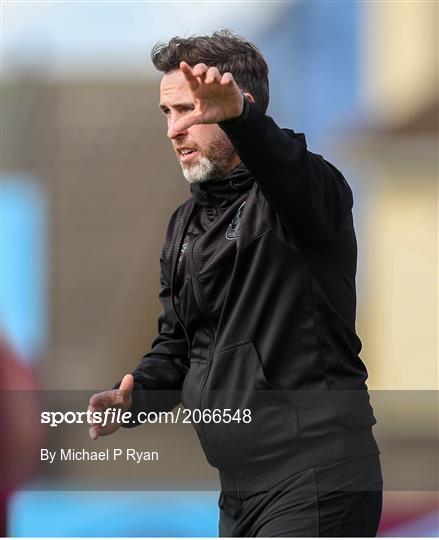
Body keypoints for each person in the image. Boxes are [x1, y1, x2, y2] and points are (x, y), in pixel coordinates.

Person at [89, 30, 383, 537]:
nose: (173, 131)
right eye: (167, 114)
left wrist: (246, 123)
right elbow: (178, 346)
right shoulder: (184, 223)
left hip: (320, 478)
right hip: (239, 492)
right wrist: (133, 397)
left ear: (235, 106)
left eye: (188, 111)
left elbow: (286, 174)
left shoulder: (311, 189)